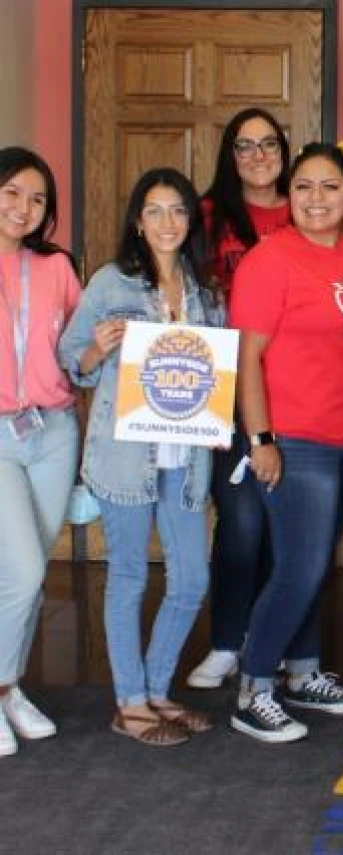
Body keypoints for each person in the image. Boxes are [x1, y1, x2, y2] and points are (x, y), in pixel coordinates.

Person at [59, 167, 226, 746]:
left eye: (178, 210)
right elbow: (68, 358)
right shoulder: (112, 282)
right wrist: (93, 350)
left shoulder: (204, 292)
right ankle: (128, 702)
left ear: (190, 220)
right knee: (128, 576)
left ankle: (157, 690)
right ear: (137, 220)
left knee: (190, 580)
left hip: (186, 460)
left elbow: (213, 374)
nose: (167, 222)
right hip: (126, 458)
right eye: (154, 211)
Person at [228, 142, 343, 743]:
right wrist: (260, 438)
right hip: (297, 439)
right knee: (301, 565)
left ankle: (304, 671)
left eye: (330, 187)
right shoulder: (270, 261)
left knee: (318, 563)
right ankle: (254, 686)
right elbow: (249, 356)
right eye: (304, 188)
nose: (317, 199)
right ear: (289, 197)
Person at [187, 108, 292, 690]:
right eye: (244, 146)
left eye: (268, 144)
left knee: (285, 527)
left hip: (295, 394)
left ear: (284, 149)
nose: (257, 156)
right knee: (243, 521)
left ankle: (266, 639)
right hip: (225, 392)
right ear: (230, 155)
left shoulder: (307, 208)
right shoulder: (207, 215)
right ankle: (227, 640)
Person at [0, 147, 81, 756]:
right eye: (12, 194)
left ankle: (11, 689)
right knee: (24, 574)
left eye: (37, 199)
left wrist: (107, 346)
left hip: (53, 431)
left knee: (27, 576)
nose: (24, 209)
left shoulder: (57, 268)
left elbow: (76, 352)